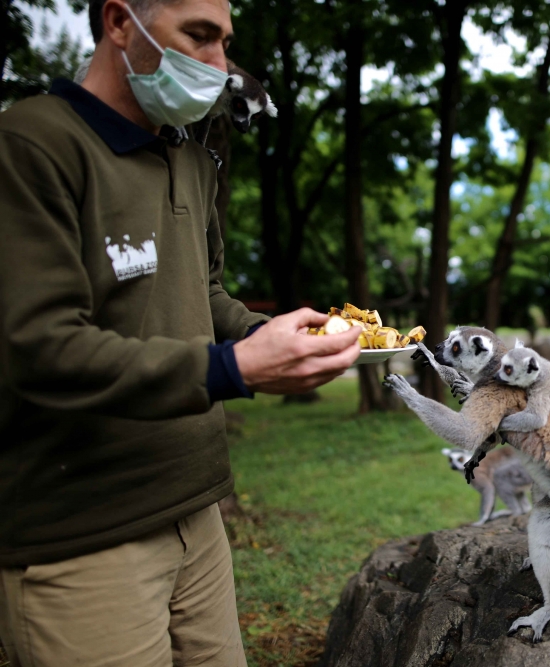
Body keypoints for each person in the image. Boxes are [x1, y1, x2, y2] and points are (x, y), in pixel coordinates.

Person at [0, 0, 360, 664]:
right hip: (81, 534)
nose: (220, 66)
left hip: (197, 508)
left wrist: (272, 336)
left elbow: (206, 295)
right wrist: (231, 368)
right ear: (117, 23)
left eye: (224, 41)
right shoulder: (31, 144)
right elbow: (39, 346)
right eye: (198, 36)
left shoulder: (188, 159)